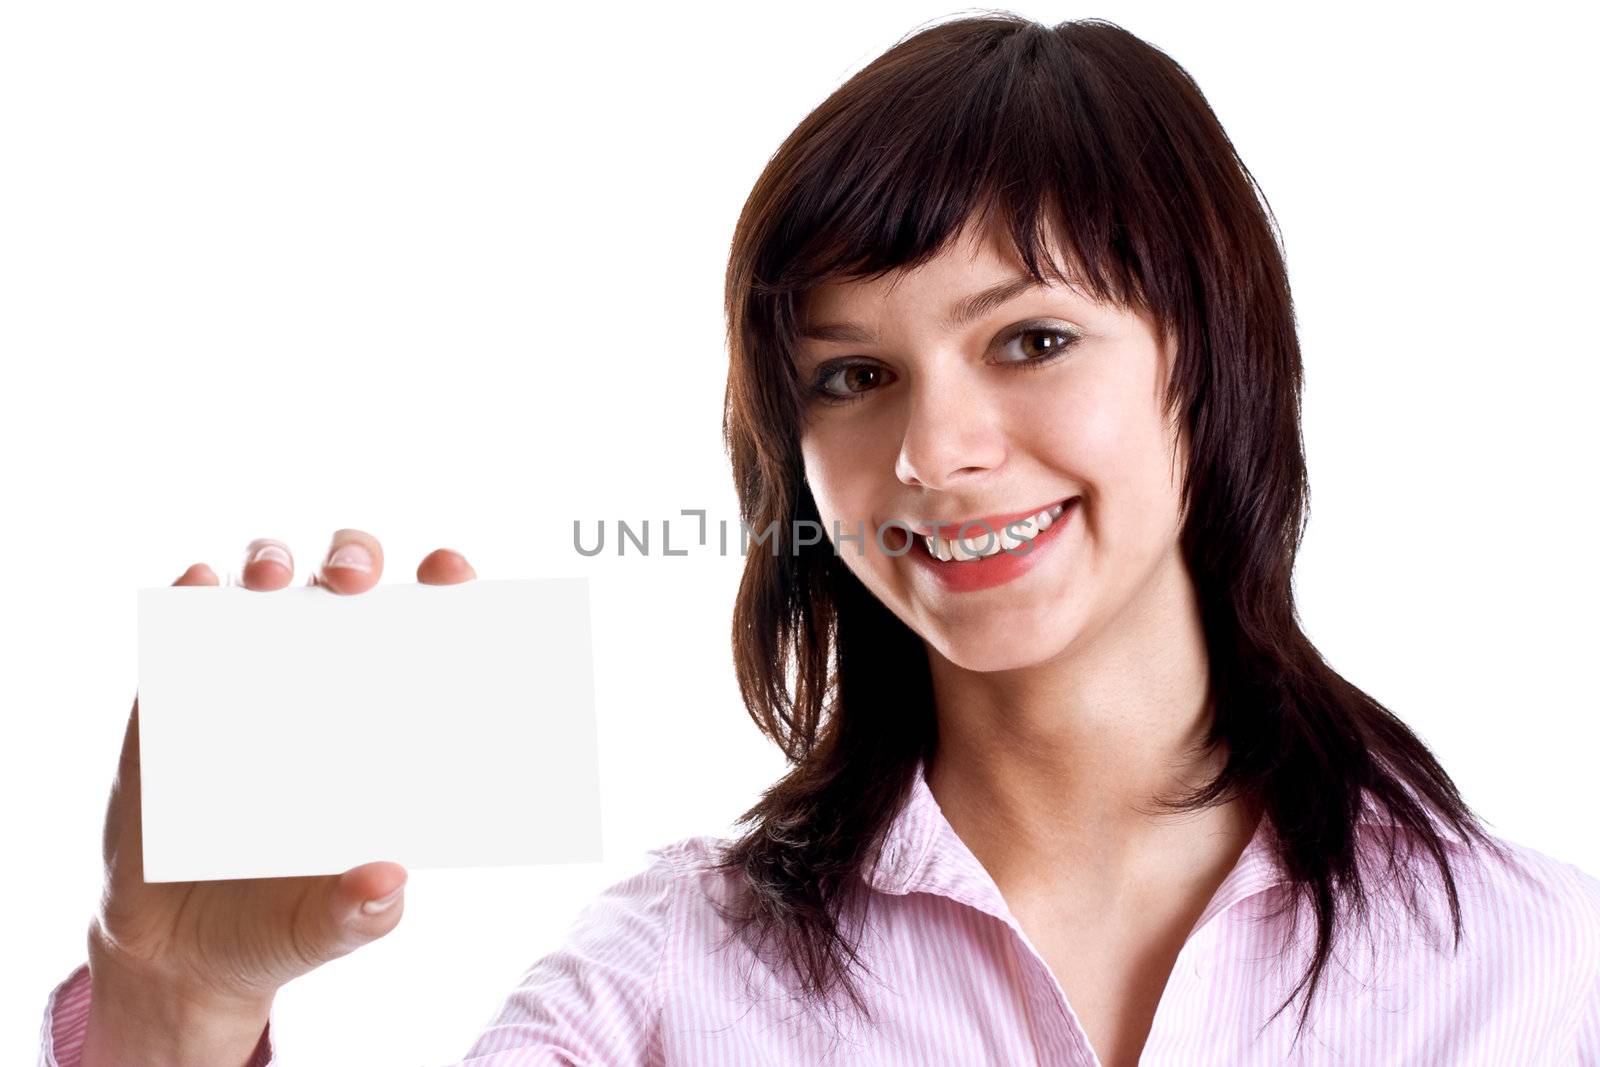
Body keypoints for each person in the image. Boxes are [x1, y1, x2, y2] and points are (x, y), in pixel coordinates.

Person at [37, 14, 1600, 1067]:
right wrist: (177, 1007)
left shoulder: (1542, 972)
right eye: (852, 378)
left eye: (1030, 340)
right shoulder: (666, 985)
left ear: (1215, 356)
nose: (932, 452)